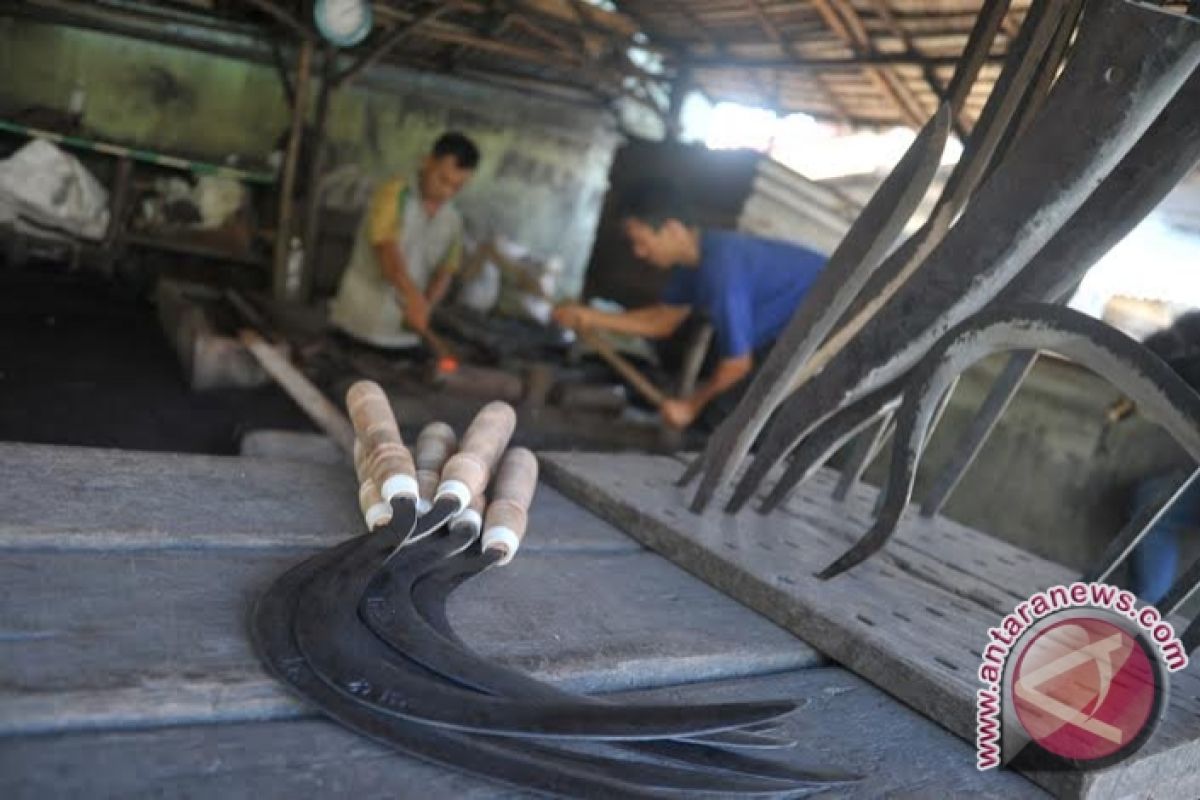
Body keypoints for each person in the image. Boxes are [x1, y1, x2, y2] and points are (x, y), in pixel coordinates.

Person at [554, 180, 827, 430]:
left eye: (642, 242)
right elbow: (662, 321)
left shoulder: (720, 268)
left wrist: (690, 407)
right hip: (789, 330)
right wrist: (589, 317)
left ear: (672, 229)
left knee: (727, 417)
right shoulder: (693, 264)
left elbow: (736, 365)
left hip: (828, 324)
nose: (639, 253)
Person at [330, 132, 479, 349]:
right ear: (427, 162)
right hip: (359, 324)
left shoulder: (453, 219)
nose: (446, 192)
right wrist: (414, 300)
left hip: (404, 338)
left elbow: (446, 270)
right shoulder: (394, 193)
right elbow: (386, 252)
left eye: (457, 187)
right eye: (443, 179)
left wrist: (427, 305)